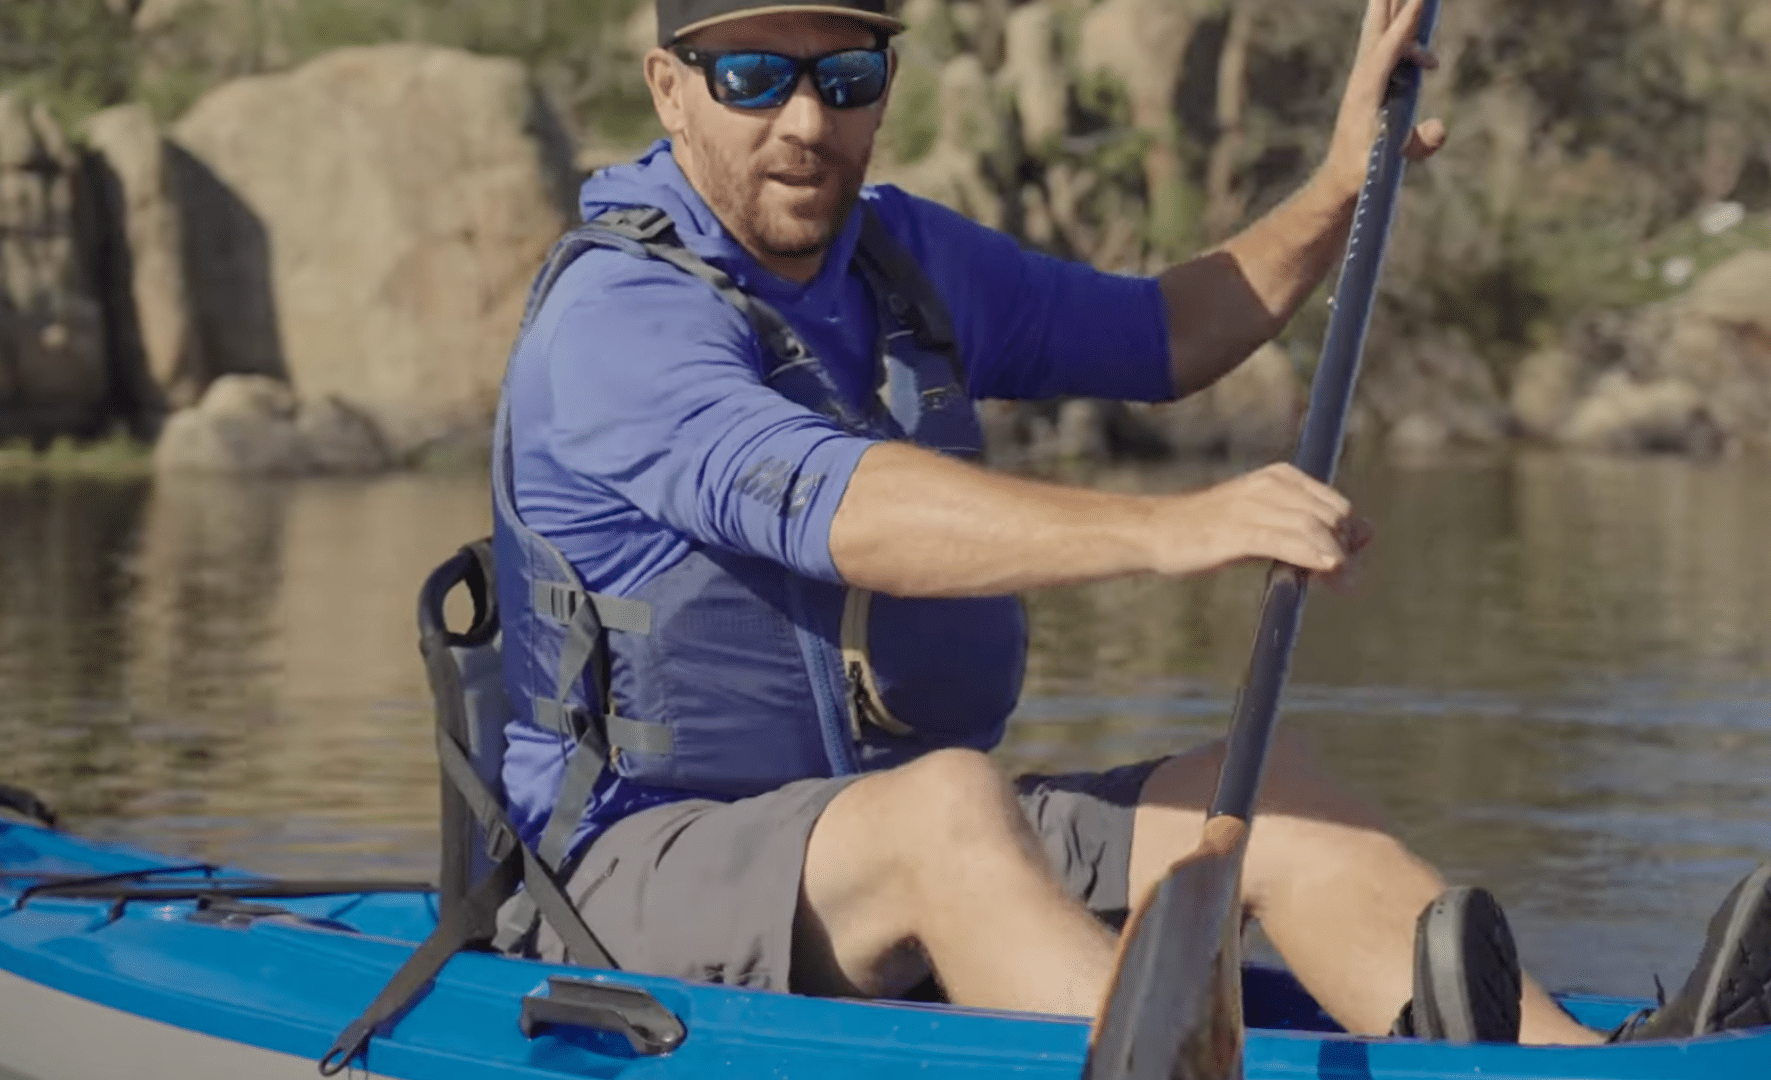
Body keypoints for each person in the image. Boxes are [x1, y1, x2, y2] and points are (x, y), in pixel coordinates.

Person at [486, 0, 1771, 1045]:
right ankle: (1161, 1059)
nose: (809, 121)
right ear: (670, 87)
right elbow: (834, 505)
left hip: (886, 847)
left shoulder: (898, 259)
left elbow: (1167, 333)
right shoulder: (620, 319)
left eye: (851, 74)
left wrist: (1341, 181)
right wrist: (1172, 529)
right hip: (623, 878)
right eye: (756, 76)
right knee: (948, 807)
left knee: (1259, 793)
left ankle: (1583, 1065)